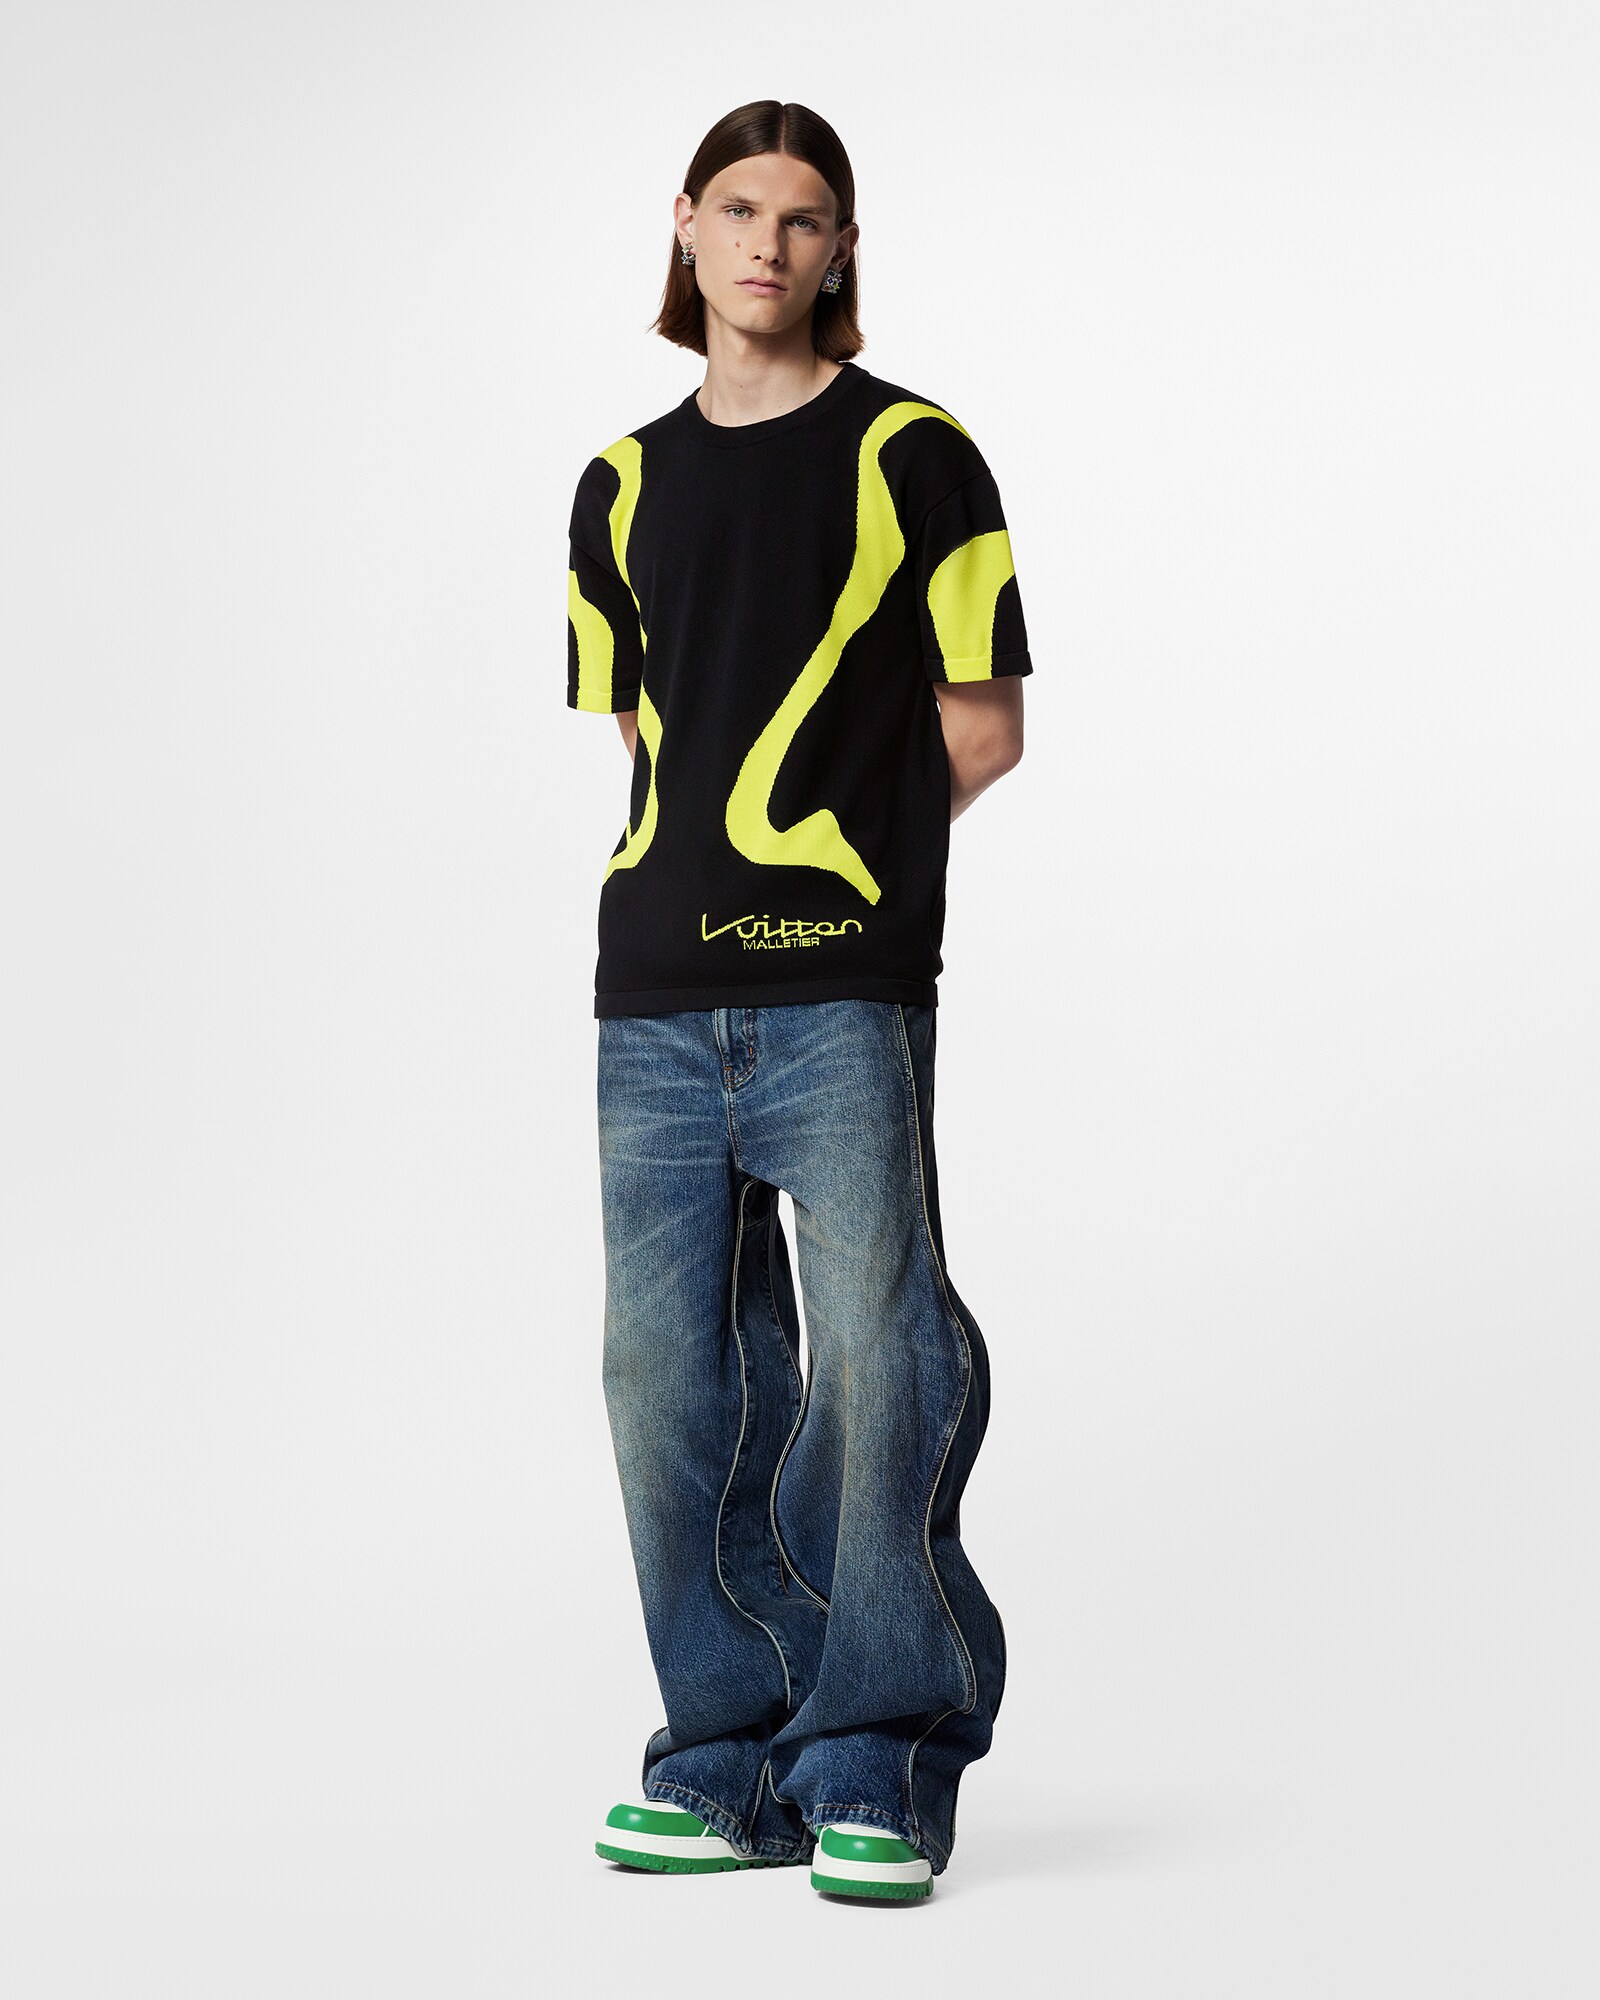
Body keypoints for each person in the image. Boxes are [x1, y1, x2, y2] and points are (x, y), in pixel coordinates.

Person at [566, 99, 1032, 1903]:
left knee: (882, 1360)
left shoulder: (920, 455)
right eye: (742, 208)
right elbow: (647, 738)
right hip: (650, 998)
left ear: (843, 248)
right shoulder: (616, 483)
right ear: (686, 224)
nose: (770, 244)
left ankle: (876, 1757)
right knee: (667, 1384)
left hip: (840, 988)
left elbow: (981, 729)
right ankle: (725, 1755)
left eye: (808, 216)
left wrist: (849, 878)